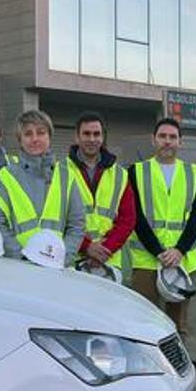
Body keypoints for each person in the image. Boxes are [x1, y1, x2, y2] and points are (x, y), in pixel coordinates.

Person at [127, 118, 196, 335]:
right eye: (163, 136)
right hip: (147, 260)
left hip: (182, 262)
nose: (167, 141)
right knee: (144, 324)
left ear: (181, 142)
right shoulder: (136, 171)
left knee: (177, 327)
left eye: (172, 137)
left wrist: (179, 250)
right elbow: (135, 217)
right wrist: (160, 252)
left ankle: (176, 369)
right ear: (154, 140)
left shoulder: (193, 173)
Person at [0, 110, 86, 260]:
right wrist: (19, 255)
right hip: (19, 265)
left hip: (57, 266)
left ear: (50, 137)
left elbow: (77, 224)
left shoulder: (67, 175)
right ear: (20, 140)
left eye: (41, 133)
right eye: (28, 134)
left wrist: (62, 257)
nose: (35, 139)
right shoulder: (7, 175)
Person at [66, 112, 136, 274]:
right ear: (77, 137)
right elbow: (57, 217)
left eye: (96, 134)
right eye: (86, 134)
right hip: (73, 259)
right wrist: (86, 247)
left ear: (103, 137)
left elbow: (128, 219)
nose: (92, 139)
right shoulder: (61, 171)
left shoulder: (120, 174)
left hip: (109, 260)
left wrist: (105, 249)